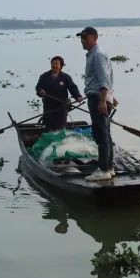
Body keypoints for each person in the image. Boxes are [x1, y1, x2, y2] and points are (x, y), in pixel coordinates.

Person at [77, 27, 117, 182]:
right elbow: (106, 78)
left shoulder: (98, 54)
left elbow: (104, 78)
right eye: (81, 38)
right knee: (105, 134)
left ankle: (103, 169)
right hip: (100, 96)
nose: (82, 41)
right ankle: (109, 167)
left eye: (85, 38)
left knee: (101, 135)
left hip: (97, 98)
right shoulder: (95, 54)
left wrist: (103, 100)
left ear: (94, 37)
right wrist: (110, 96)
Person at [35, 56, 84, 130]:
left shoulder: (65, 77)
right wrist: (40, 91)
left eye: (56, 64)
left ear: (61, 66)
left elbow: (72, 87)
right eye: (52, 63)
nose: (54, 65)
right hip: (48, 108)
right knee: (49, 129)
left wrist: (78, 96)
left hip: (62, 107)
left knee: (60, 129)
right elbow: (38, 87)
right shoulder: (44, 76)